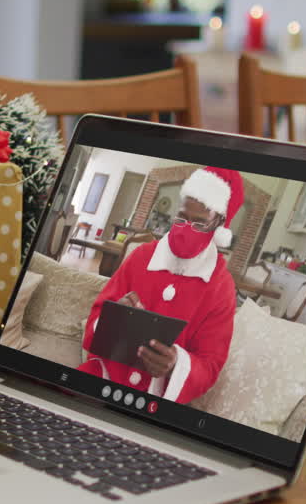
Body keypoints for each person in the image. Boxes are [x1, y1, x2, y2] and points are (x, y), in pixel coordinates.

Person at [76, 167, 244, 404]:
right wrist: (114, 317)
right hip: (100, 379)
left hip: (155, 403)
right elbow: (95, 320)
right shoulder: (141, 256)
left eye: (199, 224)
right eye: (182, 218)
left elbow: (210, 364)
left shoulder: (221, 287)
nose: (186, 230)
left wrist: (176, 363)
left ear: (218, 225)